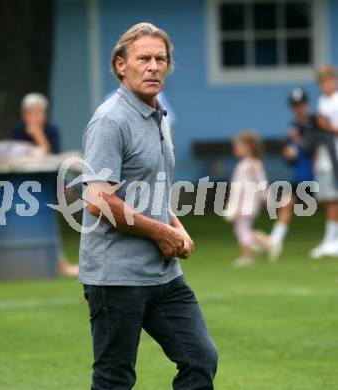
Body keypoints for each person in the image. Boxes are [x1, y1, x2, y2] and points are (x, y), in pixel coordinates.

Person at [80, 22, 218, 389]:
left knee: (200, 359)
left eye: (161, 59)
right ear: (120, 65)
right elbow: (98, 202)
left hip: (164, 275)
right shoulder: (111, 120)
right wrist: (160, 233)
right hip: (116, 277)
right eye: (144, 58)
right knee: (115, 378)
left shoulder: (158, 116)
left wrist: (176, 227)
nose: (154, 66)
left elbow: (151, 191)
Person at [12, 93, 78, 276]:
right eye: (33, 113)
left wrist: (38, 134)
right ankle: (29, 264)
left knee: (49, 222)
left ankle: (58, 263)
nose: (37, 117)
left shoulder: (51, 129)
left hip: (49, 182)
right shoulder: (18, 131)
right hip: (24, 187)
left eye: (41, 112)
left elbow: (52, 158)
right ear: (24, 114)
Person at [263, 88, 315, 260]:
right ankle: (275, 240)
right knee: (287, 203)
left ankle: (332, 240)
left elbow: (312, 148)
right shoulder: (293, 126)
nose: (298, 108)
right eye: (295, 105)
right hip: (302, 175)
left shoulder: (314, 123)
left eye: (300, 104)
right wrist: (288, 154)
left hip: (318, 173)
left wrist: (297, 142)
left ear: (306, 105)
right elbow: (292, 154)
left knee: (331, 206)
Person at [225, 131, 268, 267]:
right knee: (241, 229)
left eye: (240, 146)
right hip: (240, 202)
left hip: (248, 203)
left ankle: (247, 256)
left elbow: (261, 181)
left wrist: (264, 197)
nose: (236, 149)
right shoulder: (243, 164)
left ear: (250, 147)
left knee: (243, 228)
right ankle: (265, 243)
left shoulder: (254, 164)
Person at [310, 66, 338, 258]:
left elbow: (329, 128)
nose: (325, 85)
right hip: (326, 157)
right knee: (328, 199)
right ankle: (330, 240)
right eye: (322, 82)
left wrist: (325, 125)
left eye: (328, 80)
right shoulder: (322, 101)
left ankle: (331, 241)